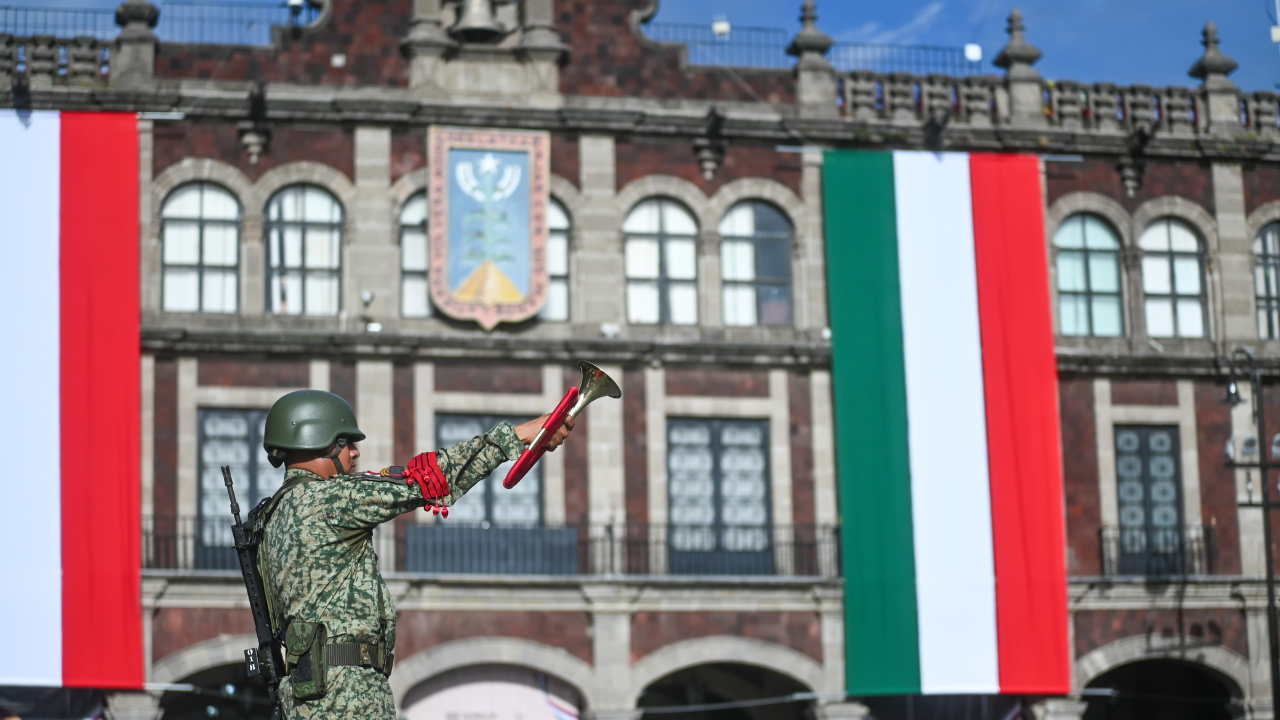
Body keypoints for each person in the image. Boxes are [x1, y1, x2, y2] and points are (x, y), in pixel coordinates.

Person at [254, 389, 573, 720]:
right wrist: (517, 435)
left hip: (306, 693)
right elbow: (429, 480)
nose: (355, 452)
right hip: (346, 693)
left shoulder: (271, 515)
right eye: (344, 442)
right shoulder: (329, 499)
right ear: (314, 441)